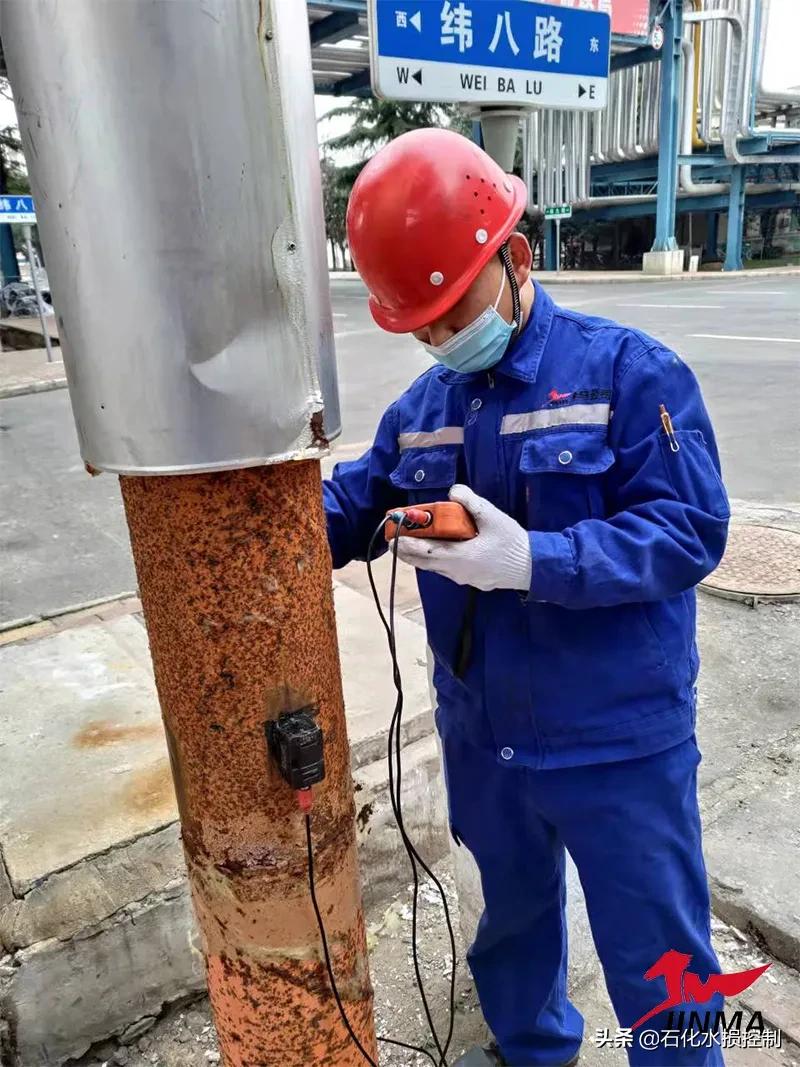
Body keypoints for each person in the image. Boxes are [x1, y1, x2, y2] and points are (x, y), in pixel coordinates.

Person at [323, 128, 730, 1067]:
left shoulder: (630, 375)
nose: (436, 336)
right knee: (507, 927)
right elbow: (355, 502)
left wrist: (534, 561)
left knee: (659, 953)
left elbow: (688, 531)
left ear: (516, 256)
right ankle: (532, 1051)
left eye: (449, 310)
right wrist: (263, 523)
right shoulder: (424, 408)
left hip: (619, 738)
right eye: (417, 325)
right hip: (485, 737)